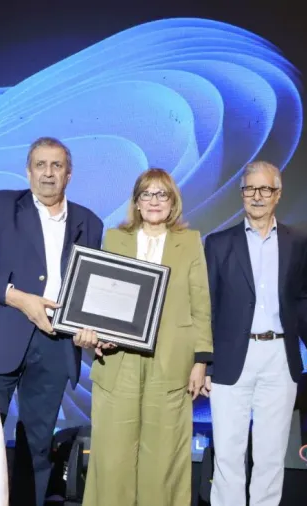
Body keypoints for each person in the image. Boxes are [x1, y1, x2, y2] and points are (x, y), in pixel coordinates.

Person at [0, 136, 104, 506]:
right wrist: (17, 297)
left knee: (37, 449)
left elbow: (92, 290)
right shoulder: (0, 206)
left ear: (69, 174)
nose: (48, 173)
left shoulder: (89, 222)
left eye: (56, 166)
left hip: (54, 345)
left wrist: (93, 327)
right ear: (28, 170)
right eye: (40, 165)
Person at [78, 168, 212, 506]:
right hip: (119, 359)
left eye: (162, 194)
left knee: (163, 458)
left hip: (171, 362)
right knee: (113, 456)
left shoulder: (190, 241)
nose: (154, 201)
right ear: (136, 203)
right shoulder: (115, 238)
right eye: (147, 194)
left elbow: (201, 304)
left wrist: (201, 361)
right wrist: (98, 334)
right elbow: (103, 296)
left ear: (173, 202)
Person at [203, 160, 307, 506]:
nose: (257, 196)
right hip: (229, 358)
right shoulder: (218, 243)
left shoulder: (298, 241)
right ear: (242, 194)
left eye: (265, 189)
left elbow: (303, 298)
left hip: (279, 358)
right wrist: (203, 362)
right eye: (250, 189)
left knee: (271, 455)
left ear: (278, 193)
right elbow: (207, 306)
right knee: (227, 454)